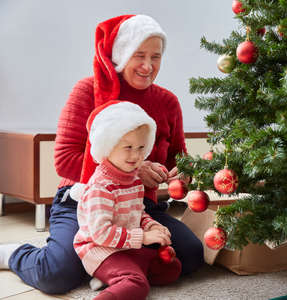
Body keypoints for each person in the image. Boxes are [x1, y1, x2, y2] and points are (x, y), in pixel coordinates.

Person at [0, 14, 203, 294]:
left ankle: (113, 267)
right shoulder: (87, 91)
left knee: (189, 255)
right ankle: (13, 254)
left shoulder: (168, 102)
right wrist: (134, 170)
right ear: (121, 54)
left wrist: (182, 173)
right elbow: (64, 160)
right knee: (55, 275)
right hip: (85, 202)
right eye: (139, 55)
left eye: (156, 57)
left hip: (139, 207)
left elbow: (178, 160)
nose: (148, 66)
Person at [73, 100, 181, 300]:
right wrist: (144, 238)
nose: (136, 155)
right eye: (128, 147)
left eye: (141, 147)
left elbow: (138, 213)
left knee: (170, 267)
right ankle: (117, 278)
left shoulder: (133, 179)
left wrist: (153, 227)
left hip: (124, 247)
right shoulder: (101, 187)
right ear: (108, 146)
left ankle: (114, 277)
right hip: (100, 250)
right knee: (136, 285)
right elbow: (100, 234)